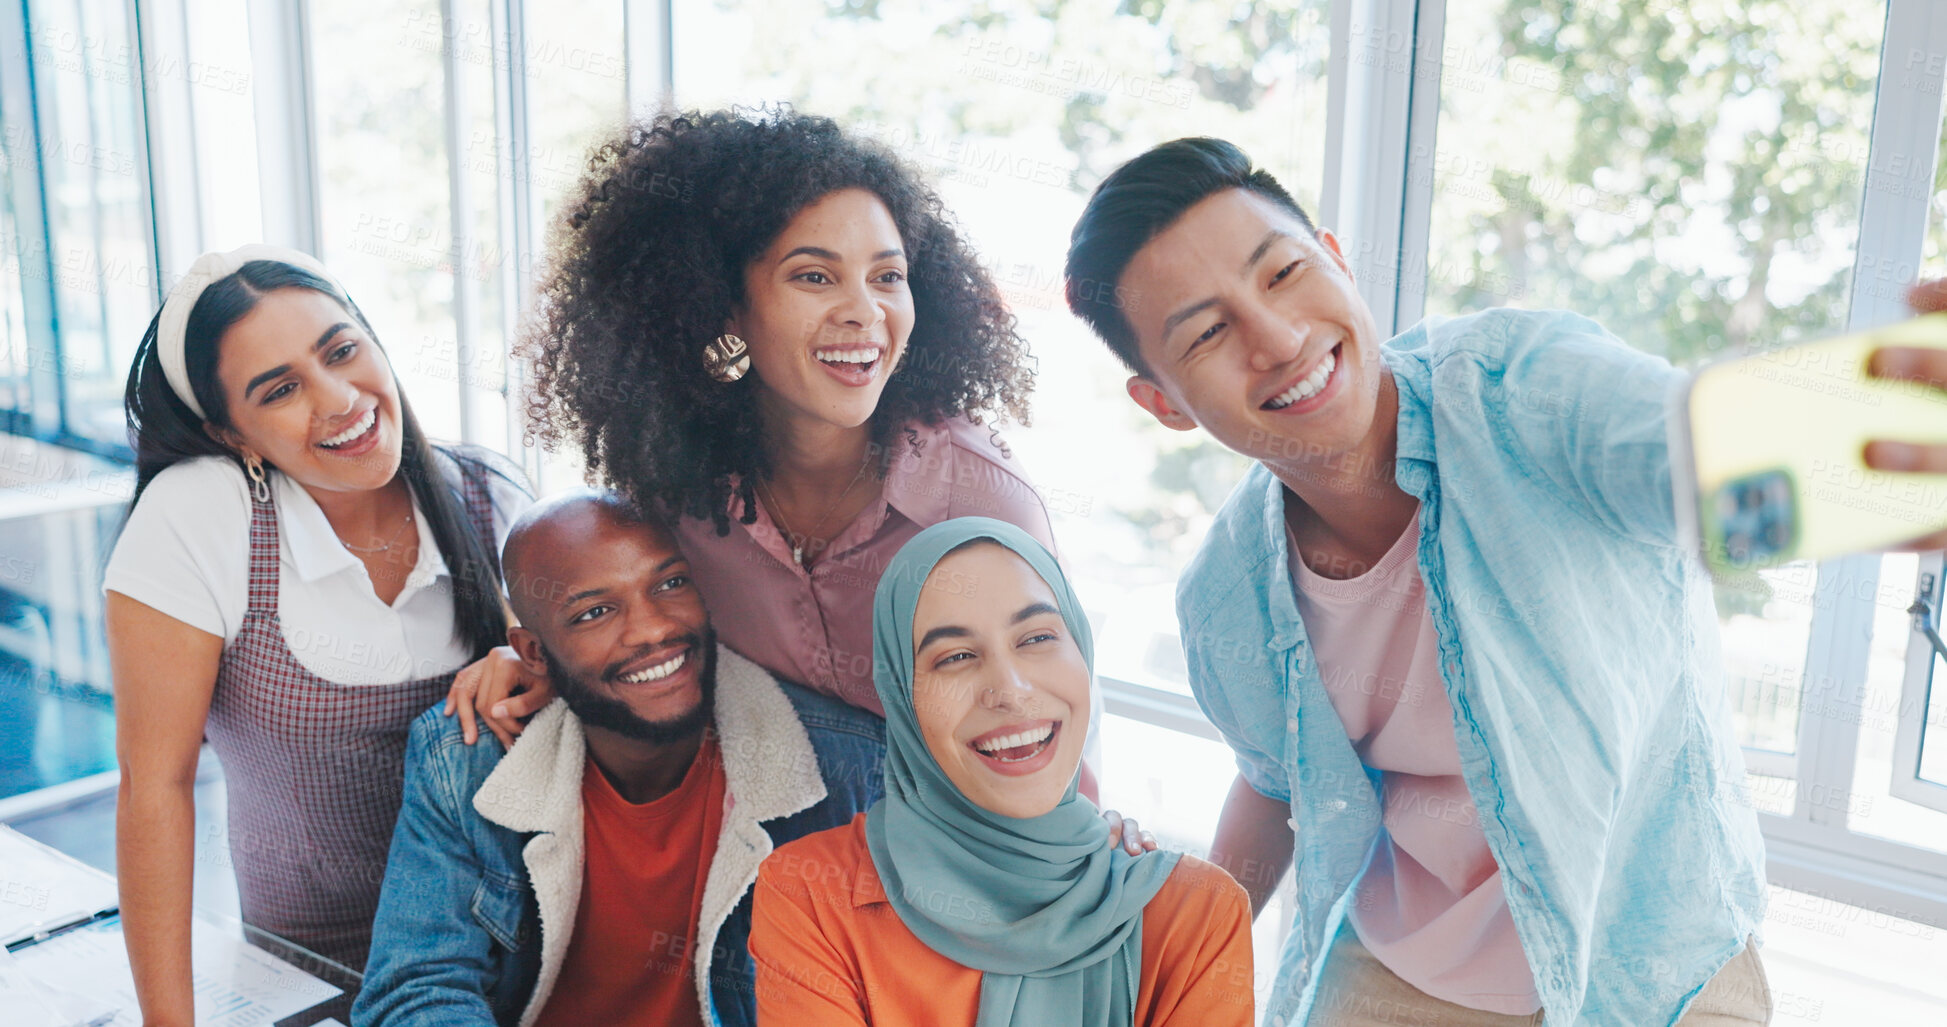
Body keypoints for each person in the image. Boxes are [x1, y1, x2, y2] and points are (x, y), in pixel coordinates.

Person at [1063, 139, 1778, 1026]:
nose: (1278, 340)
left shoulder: (1524, 389)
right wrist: (1175, 957)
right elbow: (1275, 780)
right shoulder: (1226, 594)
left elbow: (1702, 457)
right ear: (1164, 401)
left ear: (1335, 257)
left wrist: (1881, 439)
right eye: (1206, 332)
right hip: (1401, 972)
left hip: (1649, 953)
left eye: (1284, 272)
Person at [460, 106, 1124, 811]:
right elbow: (622, 621)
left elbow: (1054, 739)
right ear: (723, 309)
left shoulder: (979, 501)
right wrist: (539, 668)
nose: (864, 311)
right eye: (814, 277)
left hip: (958, 848)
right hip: (765, 852)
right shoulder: (673, 485)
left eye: (887, 276)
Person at [105, 245, 532, 1023]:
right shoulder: (204, 517)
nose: (339, 399)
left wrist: (533, 665)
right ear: (231, 432)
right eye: (280, 390)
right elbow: (153, 788)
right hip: (311, 975)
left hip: (521, 955)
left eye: (341, 350)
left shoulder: (486, 495)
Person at [354, 490, 883, 1027]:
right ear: (533, 652)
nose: (652, 629)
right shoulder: (467, 759)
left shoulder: (847, 767)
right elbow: (416, 989)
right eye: (595, 613)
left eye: (671, 583)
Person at [749, 517, 1253, 1026]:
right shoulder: (813, 894)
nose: (1009, 689)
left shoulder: (1196, 912)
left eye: (1036, 638)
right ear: (904, 698)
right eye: (957, 656)